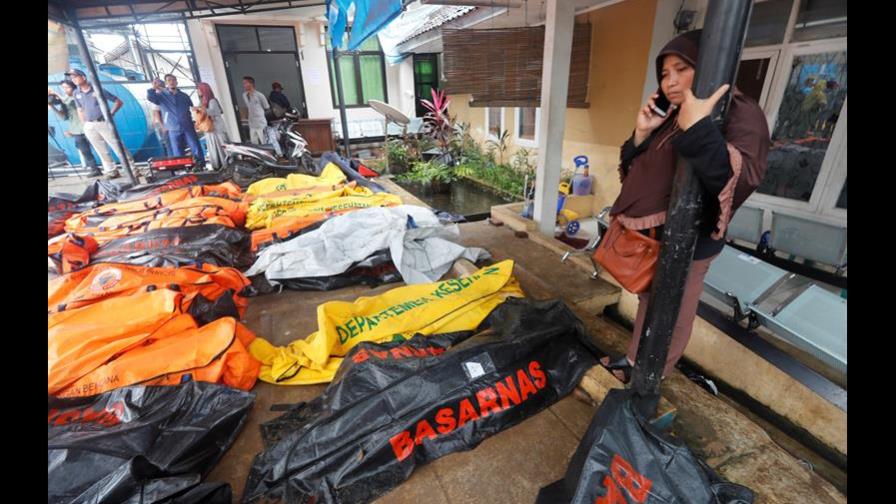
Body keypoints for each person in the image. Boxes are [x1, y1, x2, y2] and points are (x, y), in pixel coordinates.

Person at [599, 30, 771, 383]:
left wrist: (699, 128)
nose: (670, 81)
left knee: (674, 310)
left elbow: (740, 180)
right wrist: (642, 133)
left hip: (693, 239)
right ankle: (633, 363)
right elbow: (638, 168)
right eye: (664, 73)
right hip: (655, 235)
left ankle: (650, 379)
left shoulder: (740, 111)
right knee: (649, 301)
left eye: (681, 69)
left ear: (706, 67)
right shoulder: (675, 114)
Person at [67, 68, 134, 179]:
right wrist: (84, 124)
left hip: (103, 122)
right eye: (72, 77)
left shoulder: (97, 89)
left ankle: (132, 169)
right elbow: (80, 109)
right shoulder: (76, 93)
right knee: (101, 150)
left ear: (83, 77)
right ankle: (112, 171)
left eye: (75, 76)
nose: (73, 79)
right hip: (89, 125)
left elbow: (118, 101)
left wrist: (110, 114)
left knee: (117, 146)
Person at [146, 74, 206, 165]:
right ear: (166, 83)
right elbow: (150, 97)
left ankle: (201, 165)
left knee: (195, 146)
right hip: (172, 128)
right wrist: (153, 88)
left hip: (187, 126)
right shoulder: (161, 96)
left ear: (177, 82)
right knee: (177, 150)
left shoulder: (184, 96)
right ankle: (182, 168)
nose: (171, 82)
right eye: (169, 80)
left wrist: (195, 121)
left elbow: (192, 109)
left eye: (173, 80)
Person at [49, 80, 101, 176]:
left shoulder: (77, 96)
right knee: (85, 151)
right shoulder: (64, 101)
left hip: (88, 127)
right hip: (77, 131)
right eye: (63, 88)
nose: (65, 90)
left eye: (66, 87)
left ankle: (109, 168)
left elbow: (69, 102)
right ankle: (95, 169)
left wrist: (56, 93)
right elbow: (64, 117)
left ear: (73, 87)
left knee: (100, 149)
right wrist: (52, 106)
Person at [197, 82, 229, 170]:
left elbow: (214, 112)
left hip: (216, 128)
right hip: (210, 128)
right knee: (214, 147)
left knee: (220, 146)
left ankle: (225, 165)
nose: (198, 91)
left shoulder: (212, 100)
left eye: (199, 89)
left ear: (204, 90)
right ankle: (218, 165)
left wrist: (200, 110)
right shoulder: (203, 101)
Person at [242, 76, 270, 144]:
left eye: (245, 83)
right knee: (254, 143)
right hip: (252, 124)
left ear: (251, 84)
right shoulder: (244, 95)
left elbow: (267, 107)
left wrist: (260, 114)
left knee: (265, 142)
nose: (244, 85)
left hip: (261, 123)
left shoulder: (260, 95)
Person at [149, 79, 173, 157]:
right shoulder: (157, 96)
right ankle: (173, 159)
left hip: (168, 123)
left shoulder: (164, 93)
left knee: (171, 143)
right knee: (169, 144)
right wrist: (163, 126)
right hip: (165, 125)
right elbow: (157, 113)